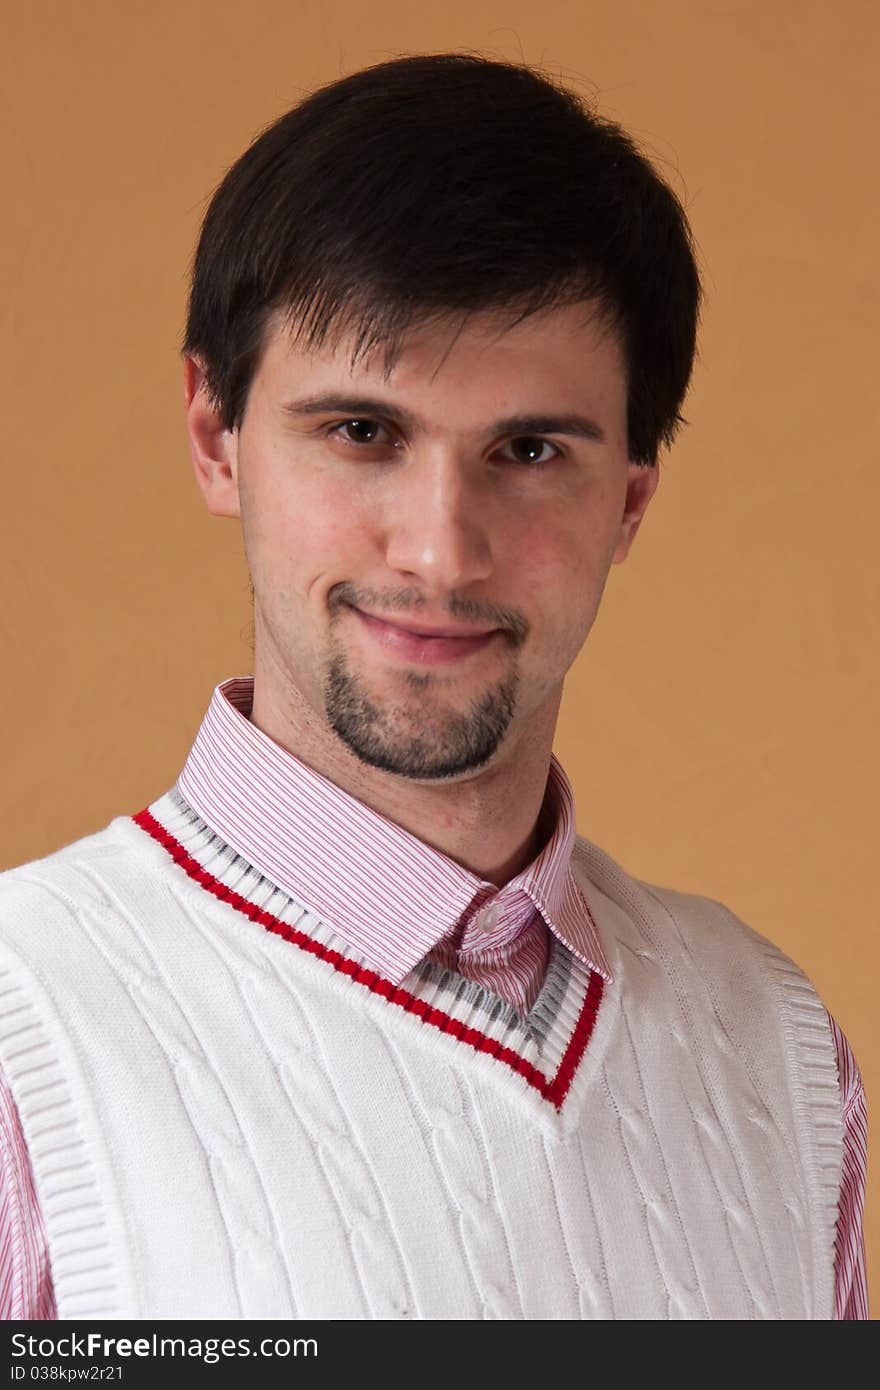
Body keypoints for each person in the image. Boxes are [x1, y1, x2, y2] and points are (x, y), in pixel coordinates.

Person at [0, 51, 867, 1322]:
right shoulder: (29, 1030)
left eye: (528, 450)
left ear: (630, 496)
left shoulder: (781, 1045)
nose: (439, 551)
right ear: (214, 434)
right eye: (361, 433)